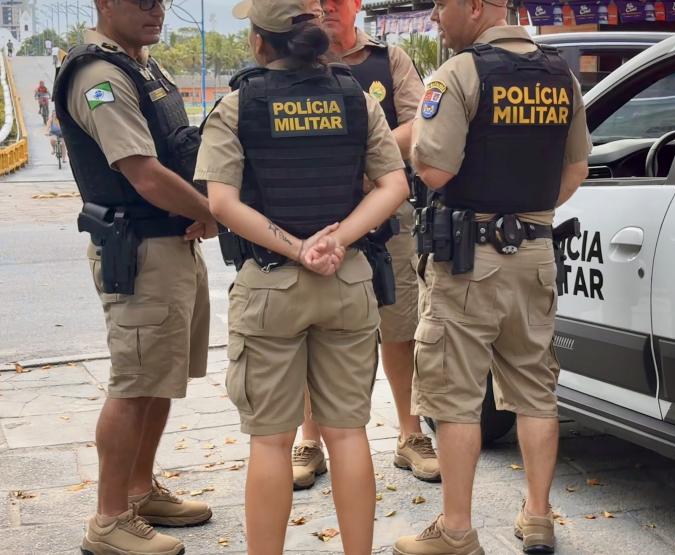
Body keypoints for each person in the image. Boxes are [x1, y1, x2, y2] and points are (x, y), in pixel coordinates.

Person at [196, 1, 409, 553]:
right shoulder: (356, 99)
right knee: (347, 434)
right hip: (348, 282)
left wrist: (297, 248)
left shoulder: (238, 105)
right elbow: (394, 186)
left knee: (270, 443)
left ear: (258, 42)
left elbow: (220, 201)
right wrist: (336, 241)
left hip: (269, 287)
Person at [394, 1, 591, 554]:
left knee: (455, 397)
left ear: (475, 7)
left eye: (441, 6)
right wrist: (524, 213)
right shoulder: (561, 74)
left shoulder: (458, 73)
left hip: (466, 261)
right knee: (535, 390)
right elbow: (576, 167)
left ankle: (456, 531)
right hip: (534, 254)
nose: (435, 17)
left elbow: (435, 169)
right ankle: (538, 517)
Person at [53, 0, 217, 553]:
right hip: (140, 247)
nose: (157, 10)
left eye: (161, 0)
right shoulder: (99, 76)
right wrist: (211, 212)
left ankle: (139, 491)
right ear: (103, 3)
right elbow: (143, 174)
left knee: (160, 377)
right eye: (141, 0)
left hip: (170, 244)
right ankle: (108, 521)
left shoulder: (143, 65)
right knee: (133, 383)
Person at [290, 0, 436, 491]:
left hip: (387, 219)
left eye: (338, 0)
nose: (327, 7)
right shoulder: (292, 60)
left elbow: (420, 126)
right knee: (313, 328)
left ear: (356, 6)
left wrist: (360, 151)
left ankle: (410, 433)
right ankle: (309, 440)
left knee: (399, 328)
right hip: (315, 223)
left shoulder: (389, 61)